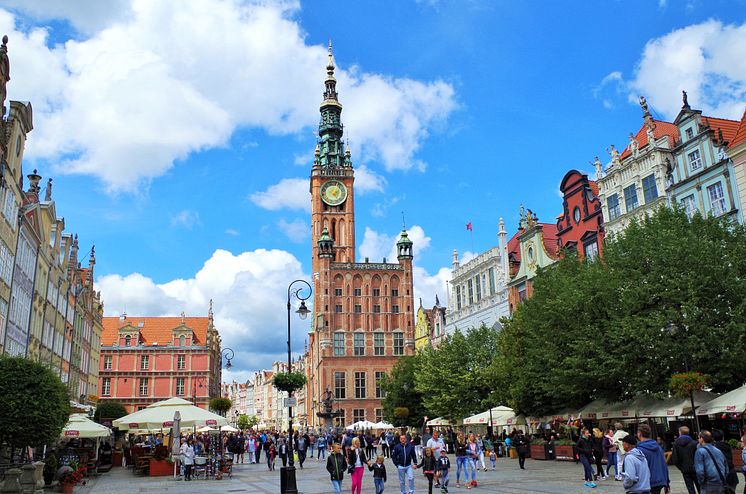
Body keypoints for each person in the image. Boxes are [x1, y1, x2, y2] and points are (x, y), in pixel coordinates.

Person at [636, 424, 670, 494]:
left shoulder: (639, 450)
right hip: (659, 482)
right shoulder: (658, 448)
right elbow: (664, 465)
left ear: (639, 434)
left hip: (646, 483)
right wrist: (667, 482)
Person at [671, 426, 699, 494]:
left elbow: (675, 459)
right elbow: (699, 456)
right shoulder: (694, 443)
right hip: (695, 469)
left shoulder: (676, 444)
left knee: (690, 489)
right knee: (700, 487)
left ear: (680, 433)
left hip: (685, 469)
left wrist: (681, 467)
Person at [713, 429, 739, 494]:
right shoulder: (727, 446)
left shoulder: (713, 448)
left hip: (722, 476)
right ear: (723, 437)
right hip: (732, 475)